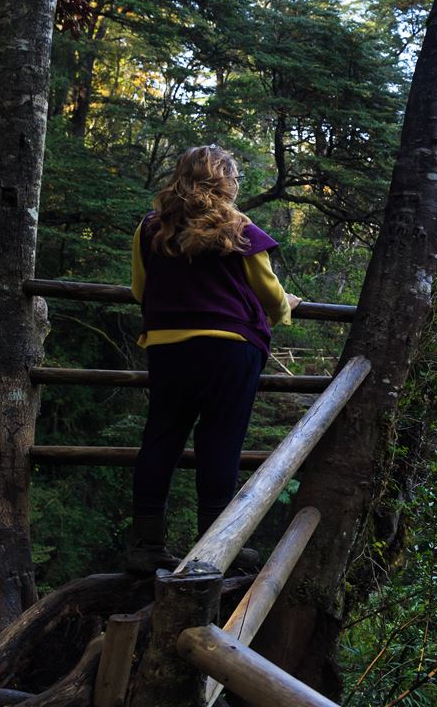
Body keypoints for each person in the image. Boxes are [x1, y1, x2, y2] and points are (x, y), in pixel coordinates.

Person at [126, 145, 300, 573]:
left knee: (161, 437)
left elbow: (138, 290)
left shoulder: (151, 227)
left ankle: (146, 545)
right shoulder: (238, 227)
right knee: (220, 441)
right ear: (227, 181)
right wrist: (287, 308)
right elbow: (270, 296)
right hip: (229, 349)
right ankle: (215, 549)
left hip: (168, 346)